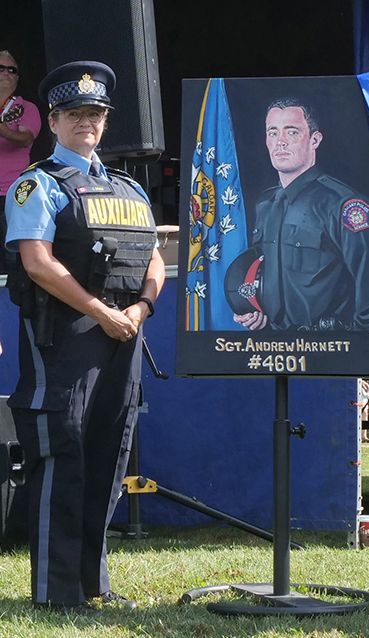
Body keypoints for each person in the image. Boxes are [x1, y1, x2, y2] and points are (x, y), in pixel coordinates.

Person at [4, 60, 165, 613]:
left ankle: (92, 583)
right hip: (64, 338)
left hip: (123, 335)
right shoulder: (37, 185)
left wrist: (139, 309)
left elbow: (156, 261)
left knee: (108, 456)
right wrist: (101, 311)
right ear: (53, 120)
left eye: (95, 115)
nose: (86, 123)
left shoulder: (127, 187)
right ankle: (55, 591)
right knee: (61, 454)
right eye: (75, 114)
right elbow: (37, 263)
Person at [233, 98, 369, 333]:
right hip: (272, 348)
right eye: (272, 132)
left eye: (291, 132)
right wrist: (254, 309)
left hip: (328, 349)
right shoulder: (265, 204)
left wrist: (360, 345)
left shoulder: (344, 205)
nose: (280, 142)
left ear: (315, 139)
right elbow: (261, 270)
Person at [0, 50, 41, 273]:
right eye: (1, 68)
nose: (7, 72)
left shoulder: (25, 108)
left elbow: (25, 139)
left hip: (12, 194)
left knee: (12, 260)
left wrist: (3, 131)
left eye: (12, 69)